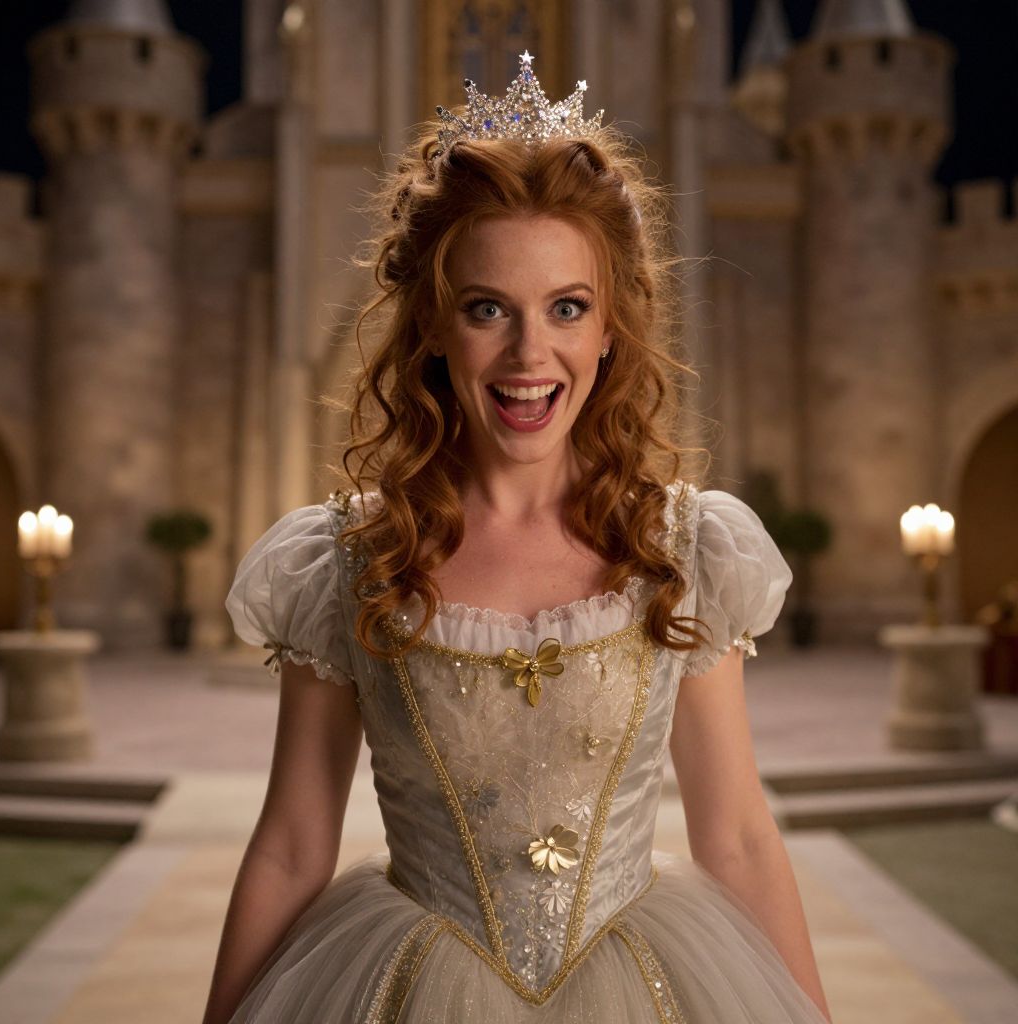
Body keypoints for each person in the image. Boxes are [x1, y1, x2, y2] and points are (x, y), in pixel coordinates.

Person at [203, 53, 834, 1024]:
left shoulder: (683, 546)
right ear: (434, 328)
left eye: (566, 308)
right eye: (487, 307)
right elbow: (292, 840)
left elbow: (739, 835)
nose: (529, 355)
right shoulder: (345, 560)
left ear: (610, 328)